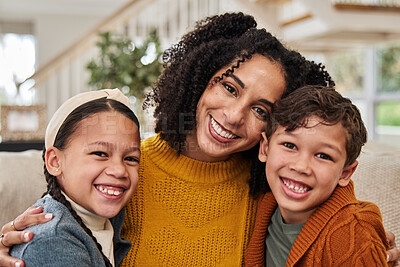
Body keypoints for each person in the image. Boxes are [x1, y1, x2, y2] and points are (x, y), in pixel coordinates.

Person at [0, 12, 398, 267]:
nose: (234, 115)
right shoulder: (127, 169)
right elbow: (61, 220)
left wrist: (378, 250)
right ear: (201, 77)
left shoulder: (267, 183)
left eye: (261, 110)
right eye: (228, 87)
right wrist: (12, 243)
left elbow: (334, 199)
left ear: (271, 134)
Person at [245, 86, 392, 266]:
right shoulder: (263, 205)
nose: (301, 167)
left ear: (345, 173)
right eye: (290, 145)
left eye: (323, 156)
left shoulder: (354, 235)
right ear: (265, 148)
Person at [8, 89, 140, 266]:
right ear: (55, 162)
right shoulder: (53, 242)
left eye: (131, 158)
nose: (119, 170)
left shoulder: (102, 216)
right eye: (100, 153)